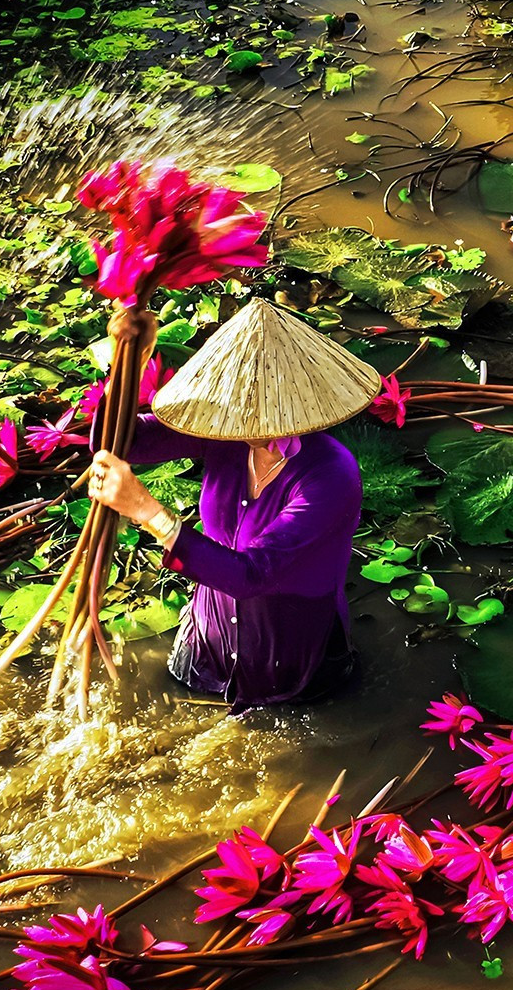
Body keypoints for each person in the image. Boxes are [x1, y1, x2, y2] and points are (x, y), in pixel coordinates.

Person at [84, 299, 382, 709]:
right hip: (210, 634)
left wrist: (147, 510)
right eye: (242, 409)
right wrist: (127, 365)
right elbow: (121, 442)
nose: (250, 423)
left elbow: (252, 575)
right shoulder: (225, 432)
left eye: (264, 412)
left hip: (291, 650)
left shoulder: (330, 475)